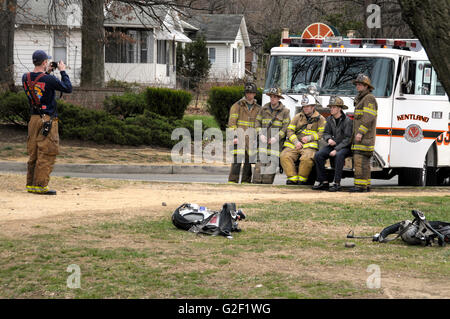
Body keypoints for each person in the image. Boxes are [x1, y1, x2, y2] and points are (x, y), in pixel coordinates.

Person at [22, 50, 72, 195]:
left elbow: (40, 87)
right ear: (44, 62)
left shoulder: (25, 77)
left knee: (34, 152)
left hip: (33, 119)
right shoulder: (49, 80)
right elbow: (67, 88)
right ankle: (41, 186)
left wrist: (47, 72)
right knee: (47, 152)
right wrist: (62, 71)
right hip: (48, 120)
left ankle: (31, 184)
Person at [280, 94, 326, 185]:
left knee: (306, 158)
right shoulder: (297, 117)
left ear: (313, 107)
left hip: (309, 147)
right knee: (284, 156)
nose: (305, 108)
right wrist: (296, 142)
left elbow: (322, 133)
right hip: (295, 145)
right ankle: (292, 179)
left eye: (308, 106)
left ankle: (302, 180)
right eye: (304, 106)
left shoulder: (320, 119)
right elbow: (290, 130)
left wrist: (310, 138)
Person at [312, 96, 353, 192]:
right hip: (333, 145)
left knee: (339, 155)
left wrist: (336, 149)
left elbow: (348, 139)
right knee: (318, 155)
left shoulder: (347, 121)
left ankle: (337, 183)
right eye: (330, 107)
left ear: (339, 108)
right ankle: (324, 182)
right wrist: (329, 139)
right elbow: (325, 133)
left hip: (345, 147)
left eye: (333, 107)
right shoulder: (329, 119)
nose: (331, 109)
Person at [252, 88, 290, 184]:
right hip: (263, 145)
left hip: (275, 147)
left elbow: (285, 128)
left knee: (267, 178)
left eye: (275, 97)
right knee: (257, 175)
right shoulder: (263, 109)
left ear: (279, 99)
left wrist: (276, 138)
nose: (272, 99)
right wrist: (260, 134)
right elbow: (257, 122)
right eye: (271, 97)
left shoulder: (285, 112)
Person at [349, 74, 378, 192]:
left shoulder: (369, 98)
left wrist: (360, 132)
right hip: (363, 138)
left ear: (367, 86)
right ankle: (365, 185)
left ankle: (360, 186)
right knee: (364, 162)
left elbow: (368, 118)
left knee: (360, 160)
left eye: (360, 84)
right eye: (357, 84)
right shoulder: (362, 98)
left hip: (364, 138)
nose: (358, 86)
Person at [227, 82, 261, 184]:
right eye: (247, 92)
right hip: (239, 138)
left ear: (254, 94)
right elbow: (232, 124)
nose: (249, 95)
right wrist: (235, 136)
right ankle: (232, 182)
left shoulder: (258, 108)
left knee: (248, 162)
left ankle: (246, 182)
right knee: (237, 161)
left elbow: (258, 124)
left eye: (251, 93)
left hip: (251, 140)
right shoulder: (237, 106)